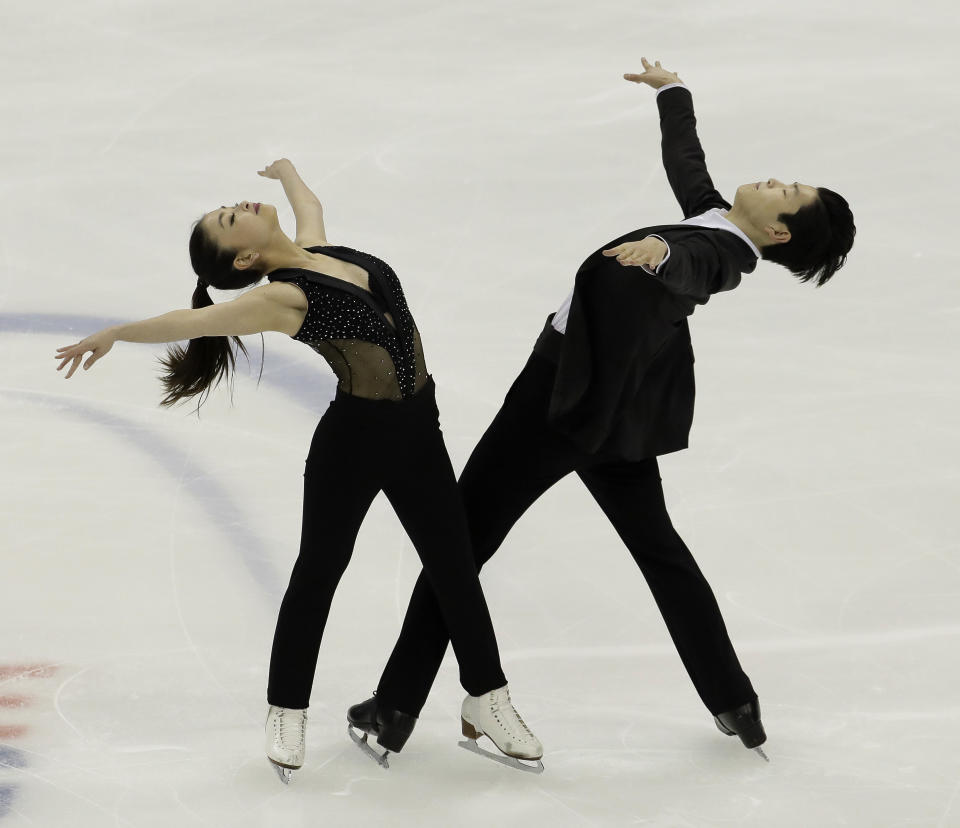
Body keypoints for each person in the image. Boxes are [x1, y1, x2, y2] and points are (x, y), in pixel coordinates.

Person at [349, 58, 856, 762]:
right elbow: (688, 163)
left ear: (778, 236)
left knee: (456, 543)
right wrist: (673, 93)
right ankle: (733, 700)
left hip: (561, 405)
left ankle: (396, 706)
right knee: (660, 550)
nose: (775, 179)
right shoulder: (715, 220)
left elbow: (692, 265)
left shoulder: (717, 253)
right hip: (623, 417)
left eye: (787, 192)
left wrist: (657, 257)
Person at [53, 158, 544, 781]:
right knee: (320, 571)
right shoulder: (281, 298)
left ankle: (487, 696)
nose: (240, 206)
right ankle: (286, 708)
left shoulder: (320, 250)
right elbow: (194, 322)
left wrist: (285, 172)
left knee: (455, 566)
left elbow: (310, 207)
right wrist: (117, 332)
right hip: (355, 443)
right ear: (240, 260)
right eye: (232, 218)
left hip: (421, 429)